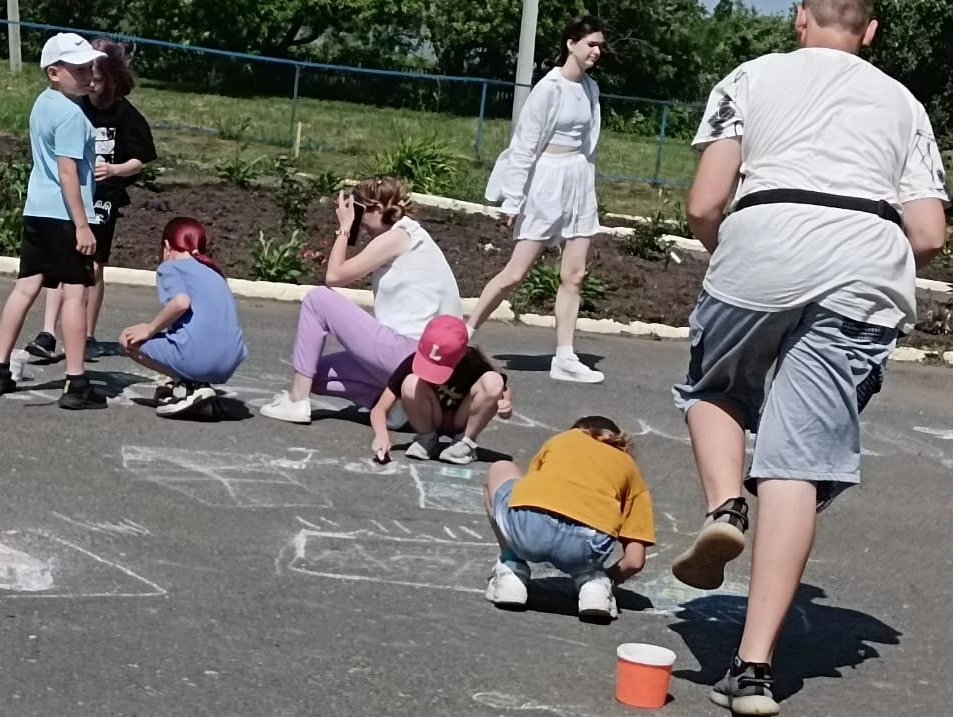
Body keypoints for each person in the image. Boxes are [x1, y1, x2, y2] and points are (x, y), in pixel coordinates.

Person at [672, 1, 947, 713]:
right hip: (863, 268)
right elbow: (927, 232)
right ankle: (755, 672)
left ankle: (726, 503)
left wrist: (734, 250)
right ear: (872, 30)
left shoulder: (749, 77)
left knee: (716, 387)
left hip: (762, 241)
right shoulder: (904, 104)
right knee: (795, 461)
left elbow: (706, 203)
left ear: (800, 19)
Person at [260, 176, 462, 424]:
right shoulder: (414, 235)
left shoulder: (398, 237)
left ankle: (296, 401)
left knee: (318, 300)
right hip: (423, 360)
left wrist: (345, 228)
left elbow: (333, 276)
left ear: (377, 209)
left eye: (359, 211)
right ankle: (395, 405)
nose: (359, 221)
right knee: (316, 373)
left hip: (409, 353)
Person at [472, 15, 607, 384]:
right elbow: (524, 146)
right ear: (571, 44)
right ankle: (464, 333)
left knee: (574, 274)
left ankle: (565, 356)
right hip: (547, 182)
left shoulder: (591, 89)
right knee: (515, 274)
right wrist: (514, 200)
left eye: (599, 46)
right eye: (590, 44)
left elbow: (588, 142)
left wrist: (586, 184)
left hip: (579, 182)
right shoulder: (549, 89)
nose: (596, 51)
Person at [0, 33, 109, 409]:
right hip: (66, 215)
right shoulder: (72, 114)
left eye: (90, 67)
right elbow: (68, 172)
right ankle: (75, 381)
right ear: (54, 72)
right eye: (79, 68)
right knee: (75, 293)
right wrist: (83, 225)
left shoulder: (44, 104)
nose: (88, 74)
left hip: (38, 209)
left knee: (26, 286)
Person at [26, 37, 158, 362]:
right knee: (62, 263)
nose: (90, 84)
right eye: (86, 75)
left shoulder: (125, 115)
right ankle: (48, 333)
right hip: (68, 200)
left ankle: (86, 333)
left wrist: (114, 169)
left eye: (96, 78)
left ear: (111, 79)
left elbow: (141, 158)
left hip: (103, 198)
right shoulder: (73, 106)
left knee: (93, 267)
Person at [482, 416, 655, 622]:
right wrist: (608, 578)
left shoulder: (560, 440)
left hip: (530, 530)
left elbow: (526, 492)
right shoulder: (629, 467)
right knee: (592, 565)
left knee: (501, 467)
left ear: (577, 430)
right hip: (583, 550)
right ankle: (594, 585)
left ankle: (512, 569)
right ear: (621, 444)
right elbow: (634, 561)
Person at [119, 218, 247, 417]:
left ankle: (188, 385)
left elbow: (181, 302)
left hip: (199, 358)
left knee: (128, 339)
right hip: (230, 361)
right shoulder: (215, 273)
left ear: (167, 246)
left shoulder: (170, 268)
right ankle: (195, 384)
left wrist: (150, 328)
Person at [368, 314, 512, 465]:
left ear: (462, 354)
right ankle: (426, 438)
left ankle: (465, 442)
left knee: (493, 380)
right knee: (410, 382)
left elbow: (502, 388)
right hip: (432, 417)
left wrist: (505, 403)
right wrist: (381, 436)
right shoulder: (412, 361)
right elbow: (379, 409)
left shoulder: (473, 361)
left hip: (461, 419)